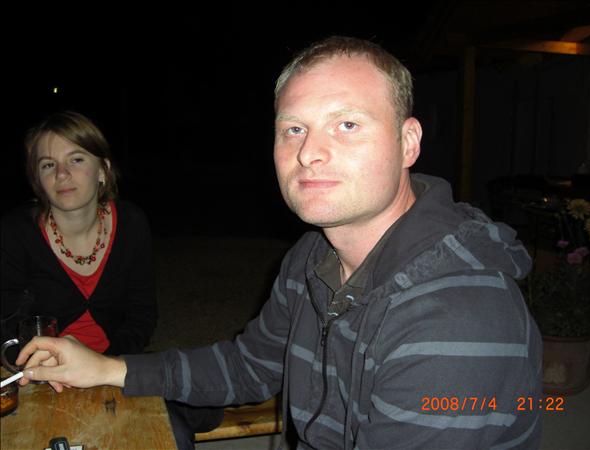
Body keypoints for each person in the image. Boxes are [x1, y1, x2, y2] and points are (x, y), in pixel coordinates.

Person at [16, 37, 542, 449]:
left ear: (408, 143)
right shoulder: (314, 257)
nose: (309, 152)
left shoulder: (457, 322)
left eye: (347, 124)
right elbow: (249, 365)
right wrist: (107, 368)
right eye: (293, 129)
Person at [0, 111, 221, 450]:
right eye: (48, 165)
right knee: (175, 426)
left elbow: (142, 314)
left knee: (201, 409)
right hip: (46, 377)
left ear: (102, 169)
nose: (62, 174)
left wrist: (102, 366)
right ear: (37, 179)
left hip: (116, 364)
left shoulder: (131, 223)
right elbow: (7, 323)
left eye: (76, 159)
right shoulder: (17, 232)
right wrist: (36, 360)